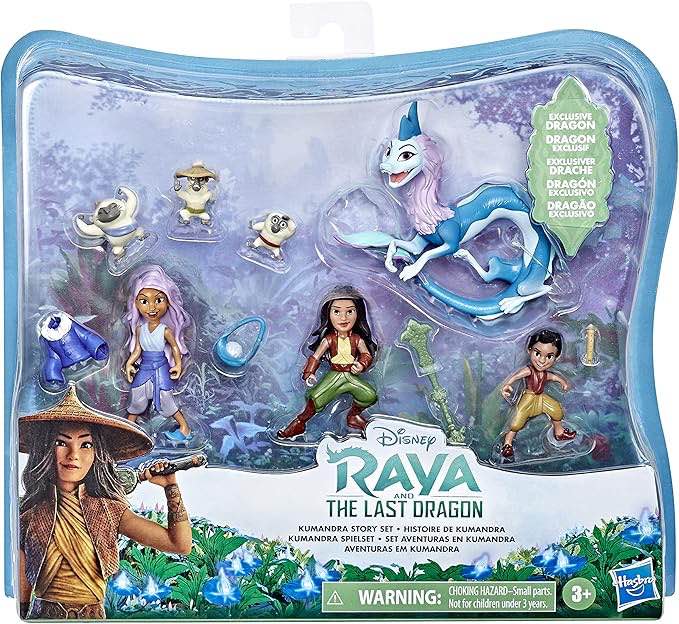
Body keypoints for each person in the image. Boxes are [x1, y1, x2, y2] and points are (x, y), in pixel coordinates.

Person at [18, 386, 192, 619]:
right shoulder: (28, 516)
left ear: (97, 453)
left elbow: (180, 545)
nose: (73, 454)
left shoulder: (108, 512)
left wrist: (171, 487)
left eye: (86, 444)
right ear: (45, 448)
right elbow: (22, 585)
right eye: (61, 442)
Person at [278, 285, 378, 439]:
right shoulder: (329, 339)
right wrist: (309, 373)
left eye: (350, 311)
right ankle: (299, 423)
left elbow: (366, 354)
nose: (343, 318)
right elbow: (315, 357)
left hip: (350, 375)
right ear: (328, 314)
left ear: (358, 313)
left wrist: (362, 364)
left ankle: (353, 416)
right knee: (316, 398)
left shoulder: (357, 339)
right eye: (337, 312)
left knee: (369, 395)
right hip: (335, 375)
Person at [124, 265, 192, 441]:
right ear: (136, 303)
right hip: (145, 366)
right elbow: (137, 349)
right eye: (144, 301)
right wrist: (129, 363)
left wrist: (178, 364)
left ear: (168, 302)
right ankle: (128, 429)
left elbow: (175, 347)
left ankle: (184, 427)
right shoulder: (139, 329)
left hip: (161, 366)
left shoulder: (165, 330)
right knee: (137, 394)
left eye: (159, 300)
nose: (152, 307)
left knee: (165, 397)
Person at [500, 328, 576, 459]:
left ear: (557, 357)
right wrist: (507, 385)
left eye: (549, 356)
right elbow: (517, 375)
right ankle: (507, 444)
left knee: (556, 410)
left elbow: (553, 377)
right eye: (537, 353)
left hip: (541, 398)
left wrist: (563, 382)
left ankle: (559, 433)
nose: (542, 360)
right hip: (528, 398)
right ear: (529, 350)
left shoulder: (545, 373)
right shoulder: (529, 370)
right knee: (516, 422)